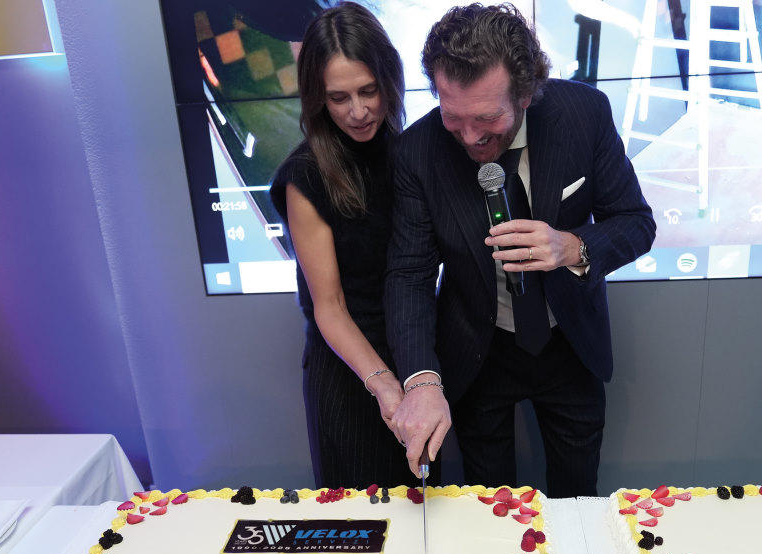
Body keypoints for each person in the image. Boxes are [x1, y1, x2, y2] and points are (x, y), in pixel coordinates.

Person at [384, 3, 656, 497]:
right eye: (453, 117)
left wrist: (572, 246)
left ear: (526, 93)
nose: (470, 138)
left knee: (579, 501)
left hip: (570, 341)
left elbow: (636, 223)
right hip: (475, 351)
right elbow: (409, 275)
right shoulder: (417, 152)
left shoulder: (584, 113)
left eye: (487, 118)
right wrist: (421, 381)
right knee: (493, 509)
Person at [269, 2, 418, 489]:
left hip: (414, 364)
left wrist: (418, 377)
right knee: (360, 524)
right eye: (339, 98)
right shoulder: (305, 175)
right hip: (351, 375)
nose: (358, 111)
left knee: (424, 516)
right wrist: (385, 386)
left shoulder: (408, 152)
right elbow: (328, 308)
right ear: (318, 98)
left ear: (389, 79)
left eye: (368, 90)